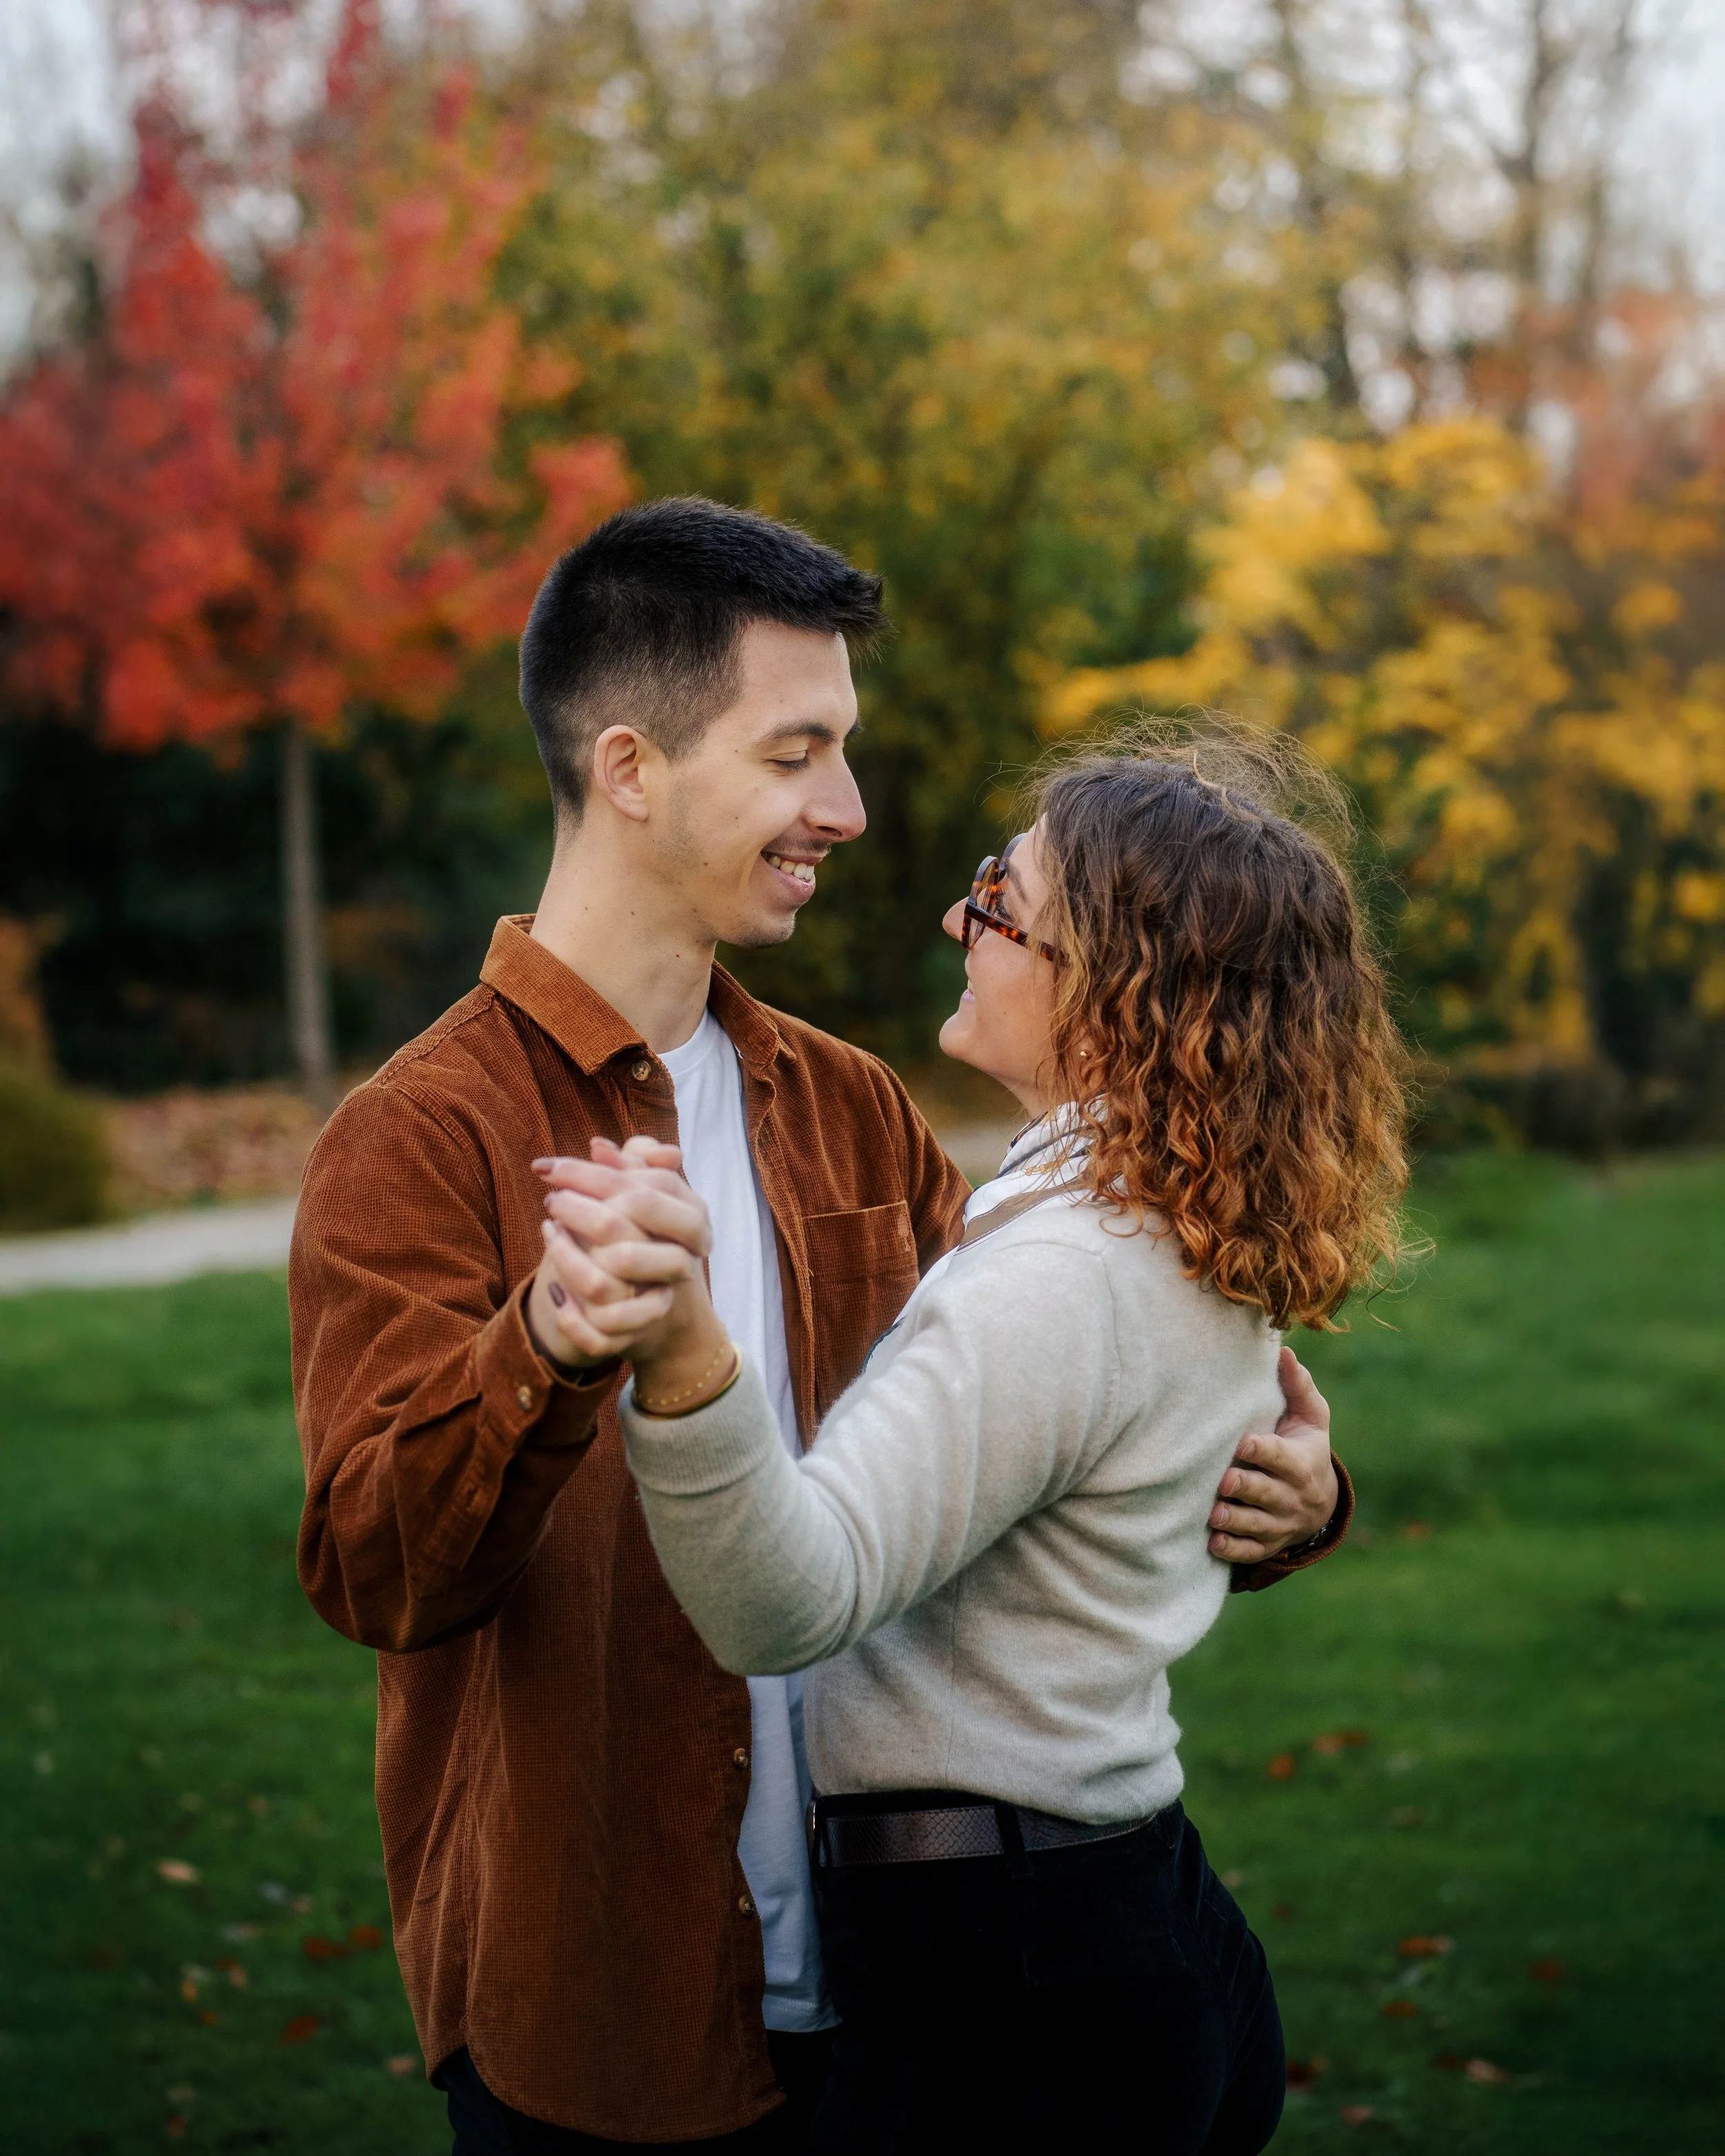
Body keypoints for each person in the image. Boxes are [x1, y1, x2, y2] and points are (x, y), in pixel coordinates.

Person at [289, 501, 1354, 2153]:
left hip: (912, 2006)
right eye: (797, 755)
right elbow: (374, 1571)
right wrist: (545, 1348)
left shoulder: (850, 1105)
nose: (846, 812)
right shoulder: (417, 1134)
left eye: (840, 753)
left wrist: (1286, 1496)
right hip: (606, 2018)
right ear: (633, 768)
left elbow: (1023, 1436)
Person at [533, 729, 1408, 2154]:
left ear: (1113, 985)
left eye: (999, 900)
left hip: (1013, 1992)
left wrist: (682, 1354)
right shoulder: (1162, 1214)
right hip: (1102, 1927)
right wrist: (1304, 1496)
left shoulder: (1063, 1270)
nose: (957, 917)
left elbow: (779, 1602)